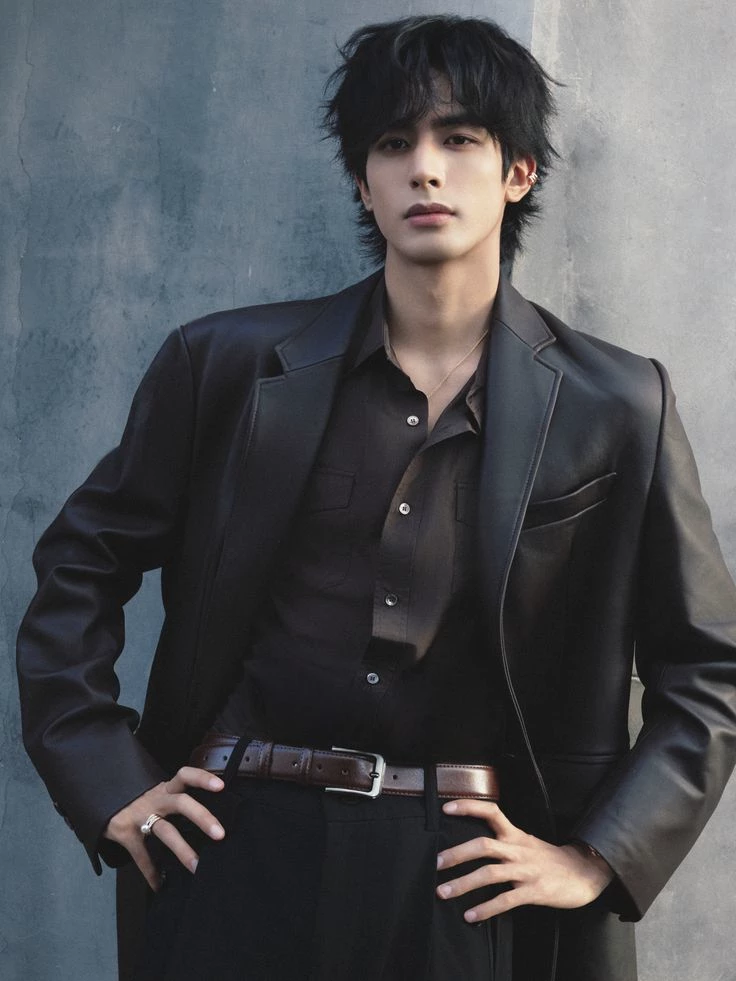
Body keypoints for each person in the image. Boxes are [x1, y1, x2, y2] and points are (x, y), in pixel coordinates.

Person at [16, 14, 736, 981]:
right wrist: (107, 776)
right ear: (363, 181)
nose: (424, 170)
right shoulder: (223, 365)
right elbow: (80, 561)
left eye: (459, 139)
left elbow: (708, 666)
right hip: (232, 845)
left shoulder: (618, 403)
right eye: (394, 144)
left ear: (519, 171)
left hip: (470, 882)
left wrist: (600, 855)